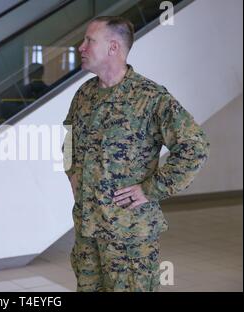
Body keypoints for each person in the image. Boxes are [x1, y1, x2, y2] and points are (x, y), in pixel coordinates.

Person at [63, 16, 209, 292]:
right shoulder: (84, 94)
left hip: (129, 238)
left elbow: (195, 147)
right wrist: (73, 175)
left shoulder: (150, 97)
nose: (81, 47)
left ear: (113, 47)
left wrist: (150, 189)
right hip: (87, 230)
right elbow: (69, 140)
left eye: (89, 41)